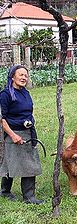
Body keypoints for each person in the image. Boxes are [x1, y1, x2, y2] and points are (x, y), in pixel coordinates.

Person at [0, 65, 43, 204]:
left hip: (28, 131)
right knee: (11, 163)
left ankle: (25, 195)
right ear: (12, 76)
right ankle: (11, 193)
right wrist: (13, 135)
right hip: (13, 133)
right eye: (21, 75)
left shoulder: (25, 93)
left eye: (26, 75)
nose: (24, 77)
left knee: (28, 163)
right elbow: (2, 119)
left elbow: (28, 112)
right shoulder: (5, 95)